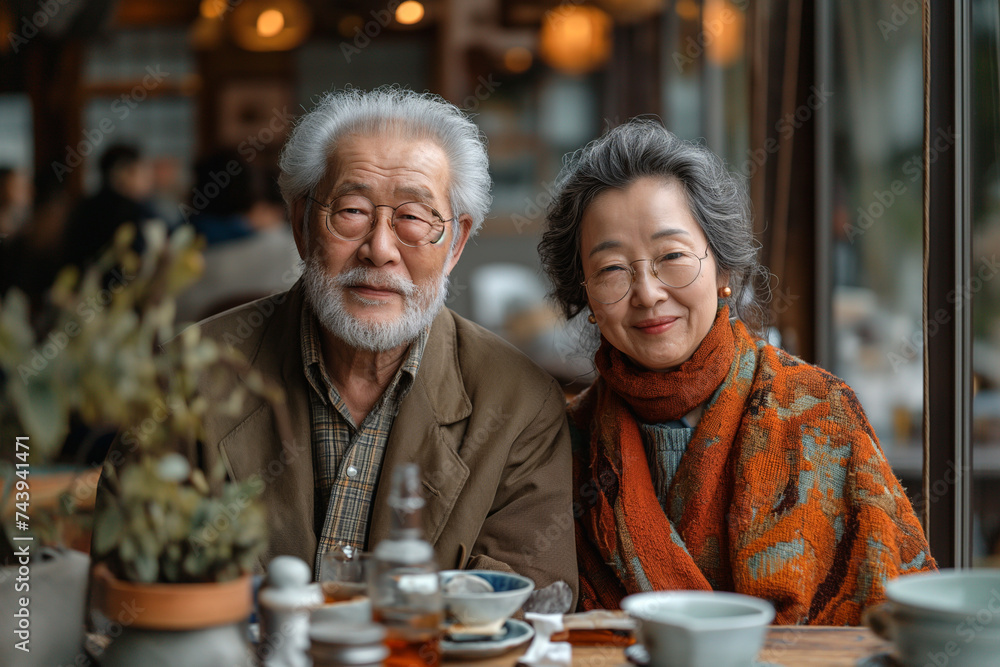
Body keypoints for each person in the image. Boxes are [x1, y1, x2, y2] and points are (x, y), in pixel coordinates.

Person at [101, 87, 577, 596]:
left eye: (414, 218)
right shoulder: (187, 377)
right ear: (303, 224)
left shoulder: (519, 403)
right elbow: (130, 589)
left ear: (455, 242)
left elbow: (524, 605)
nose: (379, 249)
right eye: (351, 210)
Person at [537, 119, 933, 625]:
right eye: (612, 268)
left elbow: (900, 620)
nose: (648, 292)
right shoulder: (564, 445)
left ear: (722, 269)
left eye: (673, 257)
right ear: (586, 296)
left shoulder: (820, 412)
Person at [61, 143, 156, 270]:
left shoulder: (83, 205)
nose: (148, 180)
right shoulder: (129, 211)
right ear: (121, 174)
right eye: (142, 173)